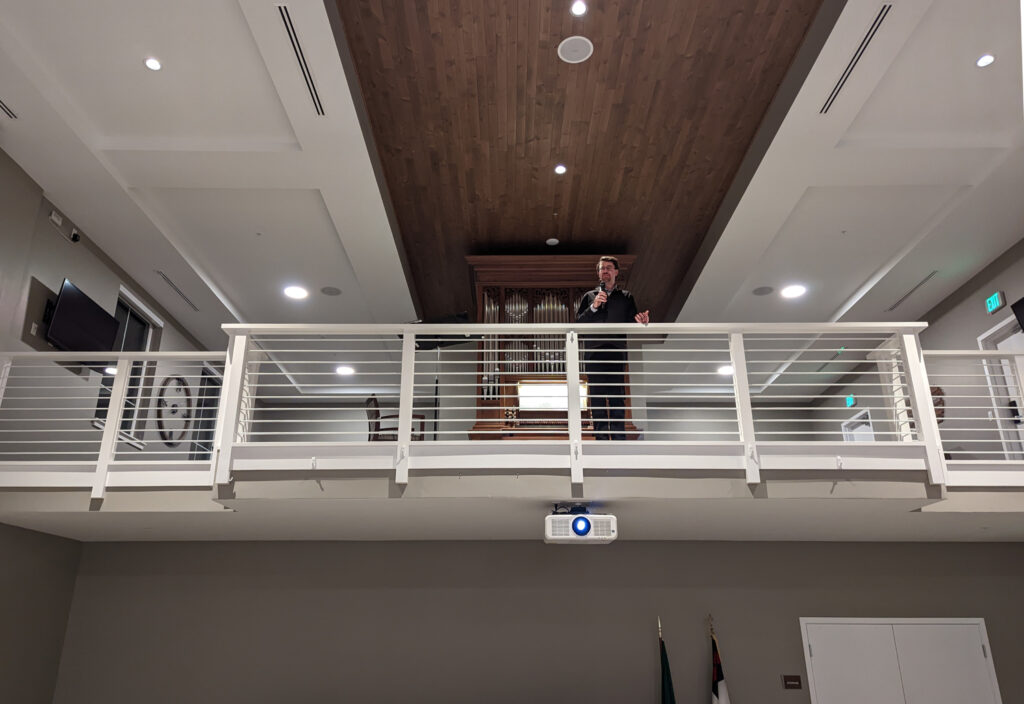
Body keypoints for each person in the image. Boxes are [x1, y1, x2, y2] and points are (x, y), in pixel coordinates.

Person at [575, 256, 649, 440]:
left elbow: (633, 320)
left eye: (608, 268)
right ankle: (600, 437)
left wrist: (642, 320)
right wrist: (594, 306)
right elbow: (579, 324)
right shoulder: (589, 297)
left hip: (616, 351)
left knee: (617, 395)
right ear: (598, 273)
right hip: (594, 352)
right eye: (602, 269)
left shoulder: (626, 297)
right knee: (597, 397)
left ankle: (618, 437)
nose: (605, 271)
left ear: (616, 272)